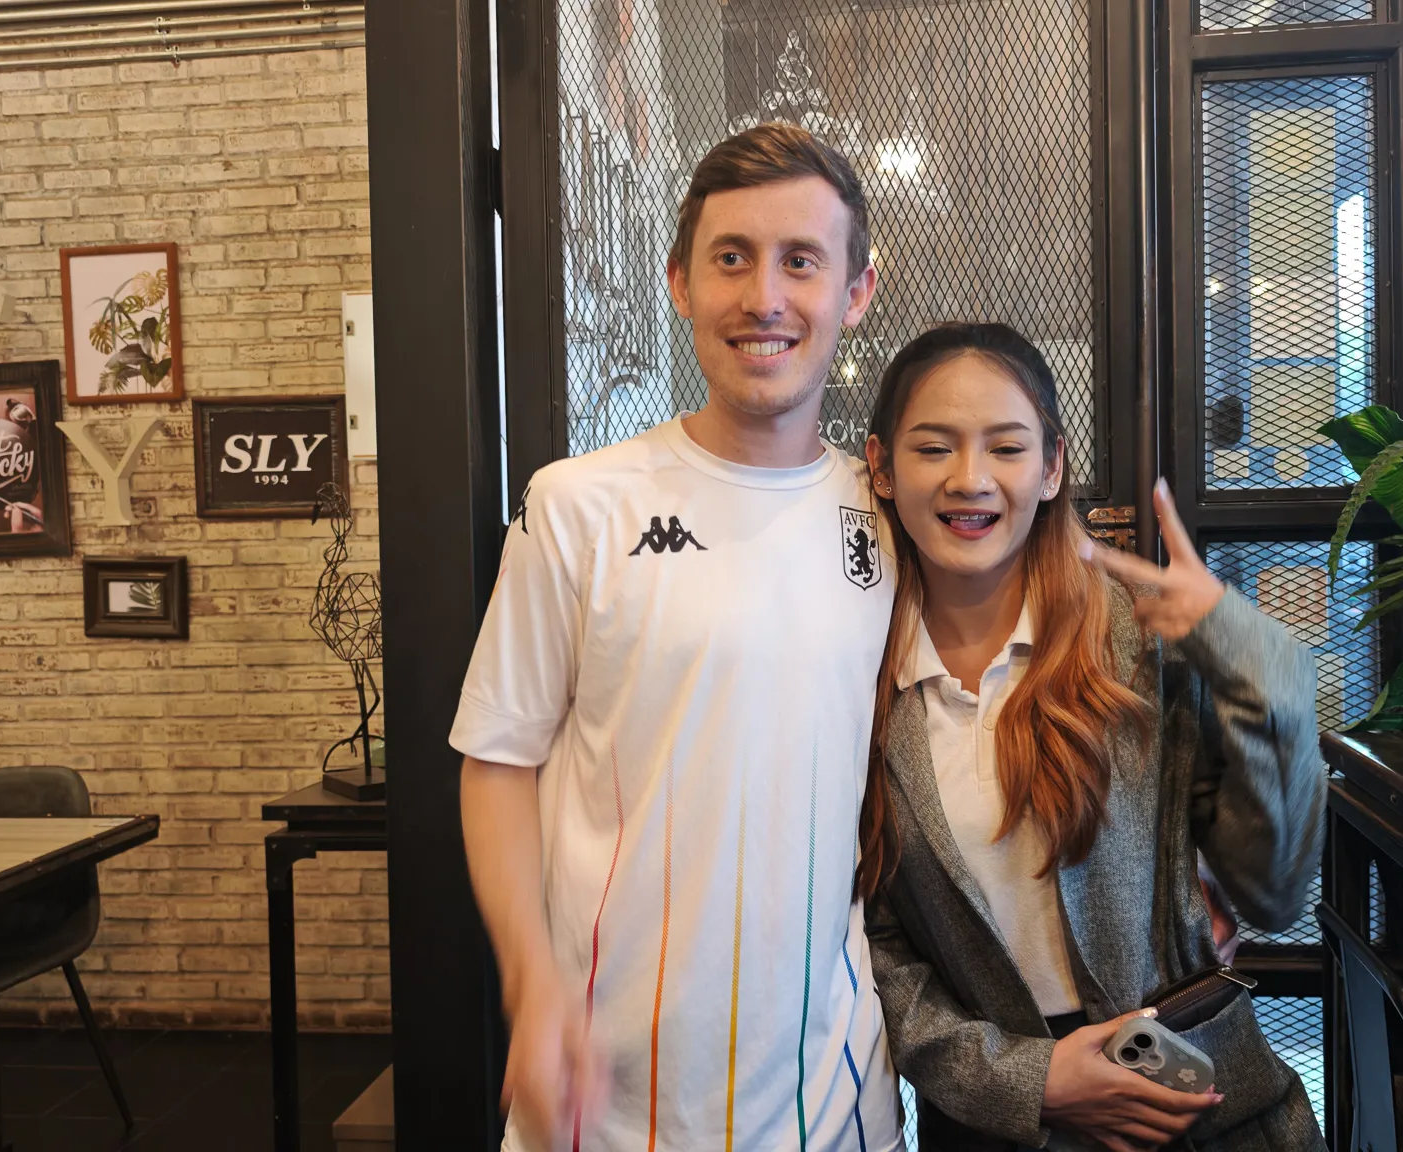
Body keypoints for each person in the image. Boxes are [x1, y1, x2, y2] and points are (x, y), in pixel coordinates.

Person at [453, 123, 903, 1152]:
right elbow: (497, 761)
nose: (764, 297)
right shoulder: (576, 506)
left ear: (856, 292)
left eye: (801, 261)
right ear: (680, 283)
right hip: (605, 1099)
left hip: (832, 1096)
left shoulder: (888, 516)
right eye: (731, 258)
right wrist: (530, 982)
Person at [858, 323, 1327, 1152]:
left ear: (1051, 469)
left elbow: (1274, 893)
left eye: (1007, 447)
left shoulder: (1138, 646)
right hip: (996, 1131)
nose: (970, 479)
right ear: (882, 467)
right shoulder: (852, 675)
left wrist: (1257, 664)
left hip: (1197, 1112)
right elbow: (872, 951)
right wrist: (1031, 1081)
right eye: (933, 448)